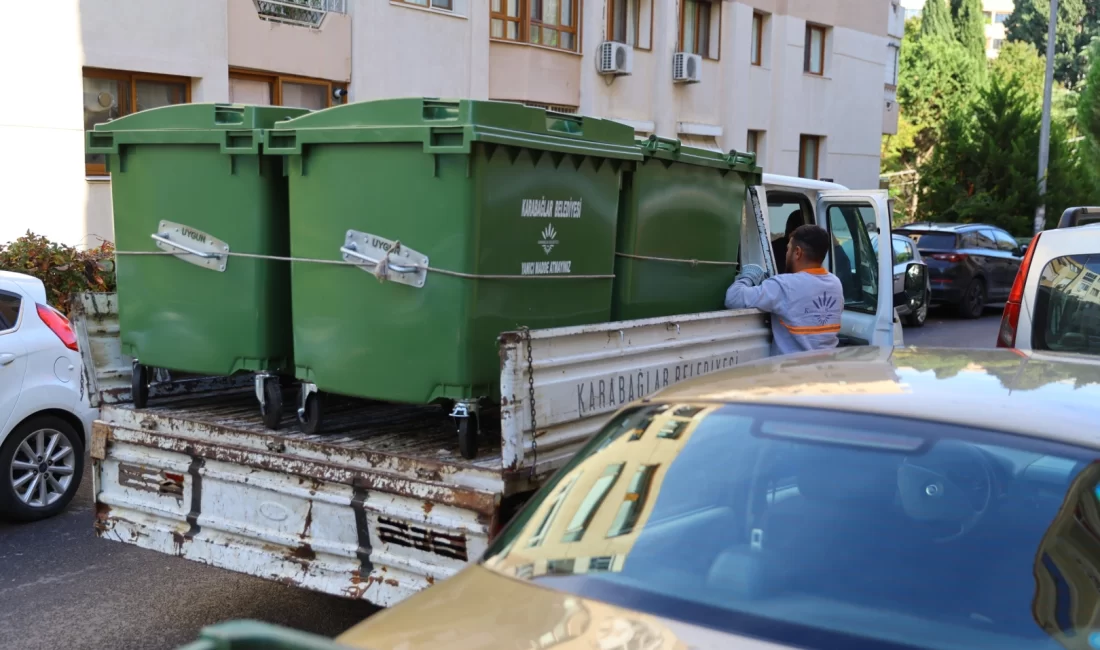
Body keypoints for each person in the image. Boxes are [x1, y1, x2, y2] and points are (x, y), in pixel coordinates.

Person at [725, 224, 844, 354]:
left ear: (797, 252)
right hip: (826, 364)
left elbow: (733, 297)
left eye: (788, 249)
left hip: (790, 366)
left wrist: (749, 275)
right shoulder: (835, 284)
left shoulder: (784, 285)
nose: (786, 254)